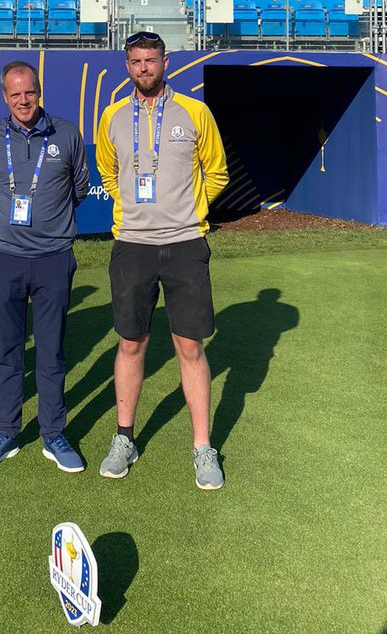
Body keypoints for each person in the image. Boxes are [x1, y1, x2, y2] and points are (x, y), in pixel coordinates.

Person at [95, 32, 229, 490]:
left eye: (151, 61)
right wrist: (133, 208)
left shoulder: (195, 112)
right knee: (131, 343)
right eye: (135, 62)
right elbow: (107, 171)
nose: (143, 69)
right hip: (132, 244)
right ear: (126, 65)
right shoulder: (112, 116)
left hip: (186, 243)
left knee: (189, 346)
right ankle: (124, 438)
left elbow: (217, 171)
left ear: (165, 61)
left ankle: (202, 447)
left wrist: (189, 211)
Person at [0, 61, 90, 472]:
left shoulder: (67, 133)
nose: (24, 100)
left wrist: (49, 224)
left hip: (54, 258)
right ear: (4, 96)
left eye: (31, 92)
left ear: (40, 92)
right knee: (6, 350)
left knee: (52, 350)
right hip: (2, 257)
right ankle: (6, 430)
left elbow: (78, 190)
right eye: (15, 94)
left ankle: (54, 433)